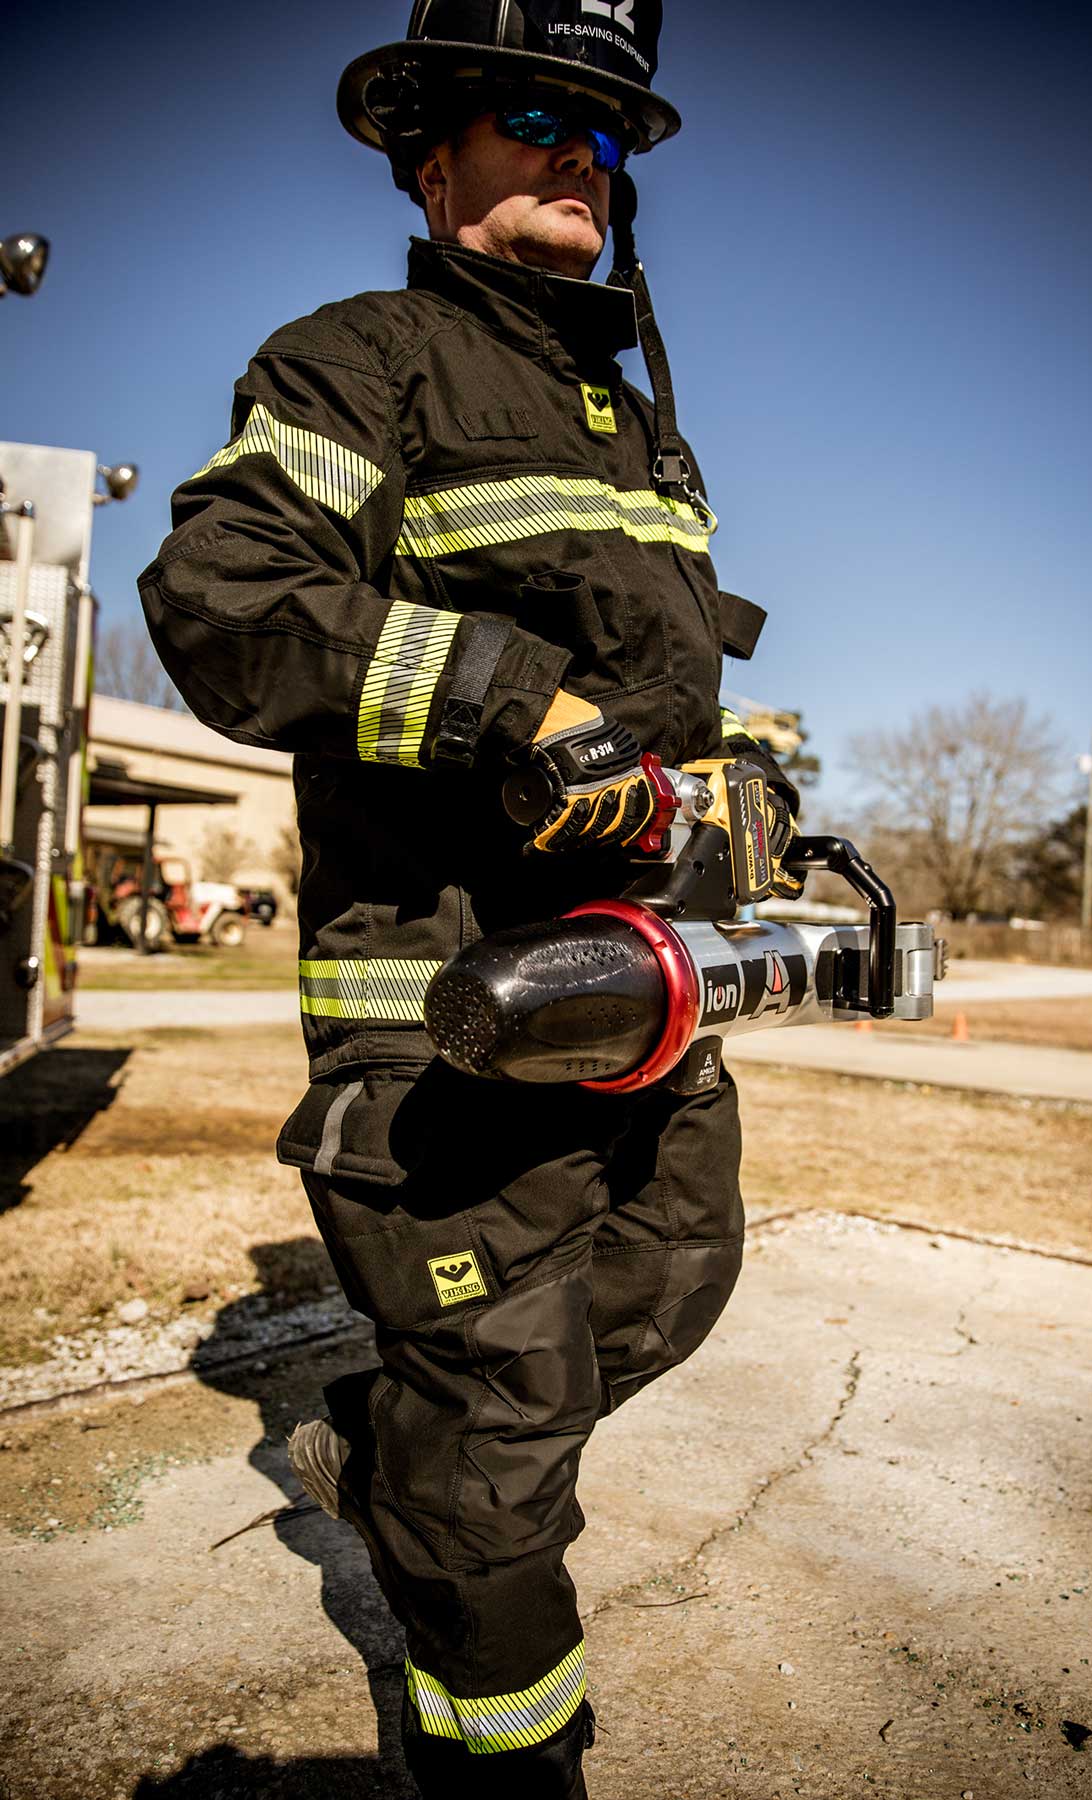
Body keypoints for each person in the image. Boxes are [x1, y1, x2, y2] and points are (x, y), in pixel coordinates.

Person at [139, 5, 797, 1794]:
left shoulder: (640, 434)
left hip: (646, 1001)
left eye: (606, 131)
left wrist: (737, 782)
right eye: (532, 115)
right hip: (452, 1032)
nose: (578, 151)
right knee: (504, 1442)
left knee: (670, 1282)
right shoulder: (360, 364)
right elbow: (225, 595)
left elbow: (660, 708)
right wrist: (518, 701)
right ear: (433, 163)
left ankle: (395, 1444)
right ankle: (510, 1757)